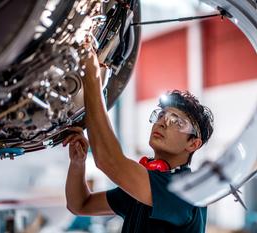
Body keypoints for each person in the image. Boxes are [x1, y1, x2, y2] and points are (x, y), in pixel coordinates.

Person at [63, 49, 214, 233]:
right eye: (161, 115)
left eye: (176, 121)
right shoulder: (148, 187)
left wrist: (93, 79)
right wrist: (77, 164)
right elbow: (80, 204)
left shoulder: (184, 191)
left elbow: (109, 161)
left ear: (193, 144)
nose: (162, 123)